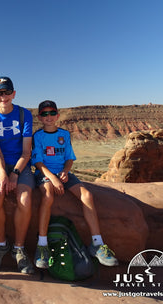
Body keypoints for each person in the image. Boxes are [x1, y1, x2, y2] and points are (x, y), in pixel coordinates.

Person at [31, 100, 119, 269]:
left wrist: (65, 171)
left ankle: (97, 243)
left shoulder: (64, 134)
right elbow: (38, 163)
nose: (48, 117)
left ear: (57, 116)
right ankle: (42, 245)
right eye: (44, 114)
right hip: (45, 174)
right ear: (40, 118)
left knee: (87, 195)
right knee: (48, 195)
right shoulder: (38, 136)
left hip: (64, 173)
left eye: (51, 113)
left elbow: (69, 157)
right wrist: (54, 178)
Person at [0, 76, 35, 274]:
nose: (3, 96)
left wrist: (15, 174)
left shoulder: (24, 115)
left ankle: (19, 249)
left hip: (20, 164)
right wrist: (3, 175)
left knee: (25, 199)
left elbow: (26, 152)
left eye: (6, 92)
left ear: (14, 94)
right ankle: (1, 244)